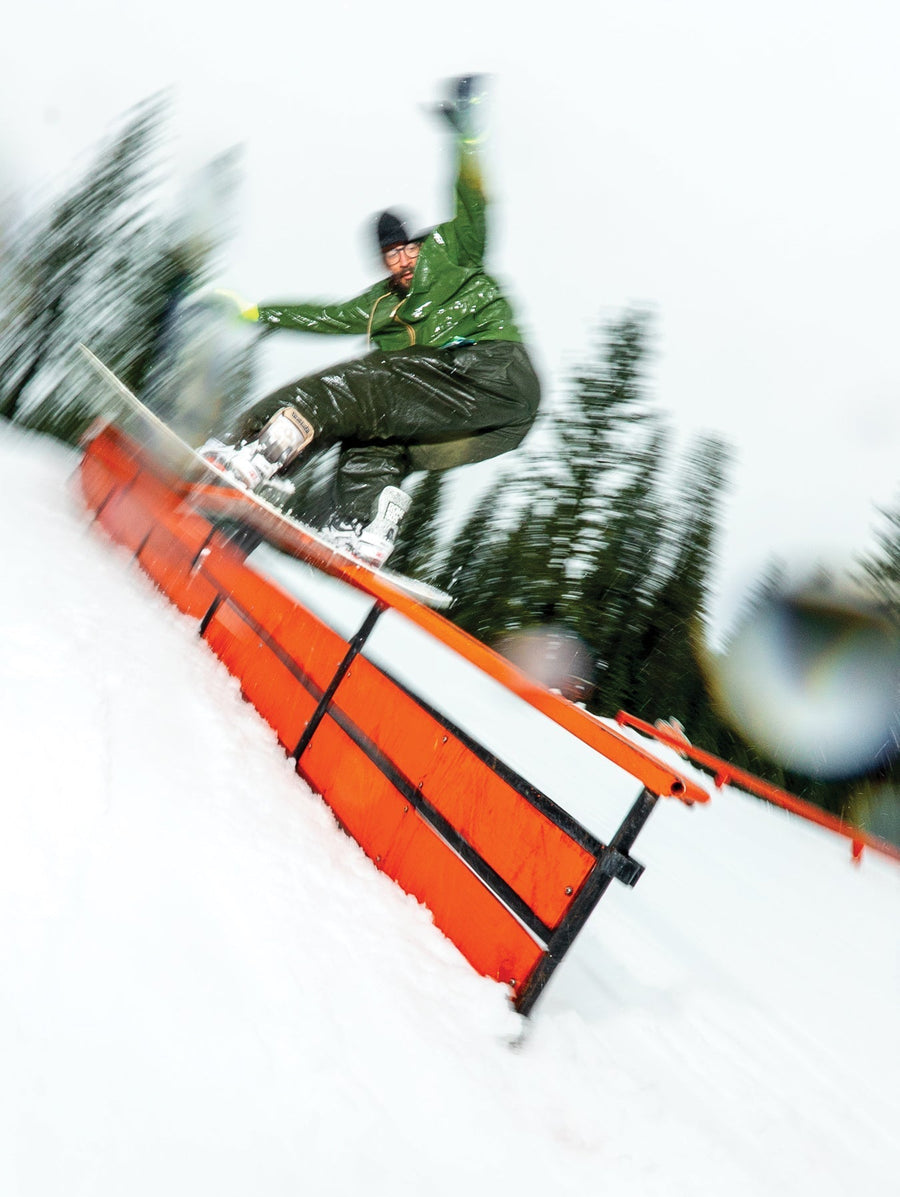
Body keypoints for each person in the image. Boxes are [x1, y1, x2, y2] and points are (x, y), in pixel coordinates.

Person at [206, 76, 541, 567]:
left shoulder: (453, 249)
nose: (402, 262)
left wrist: (466, 138)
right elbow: (324, 316)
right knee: (375, 435)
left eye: (407, 249)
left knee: (363, 382)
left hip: (493, 369)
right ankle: (361, 527)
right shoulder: (379, 305)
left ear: (418, 243)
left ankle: (258, 450)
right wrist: (257, 312)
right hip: (485, 427)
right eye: (390, 256)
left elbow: (473, 202)